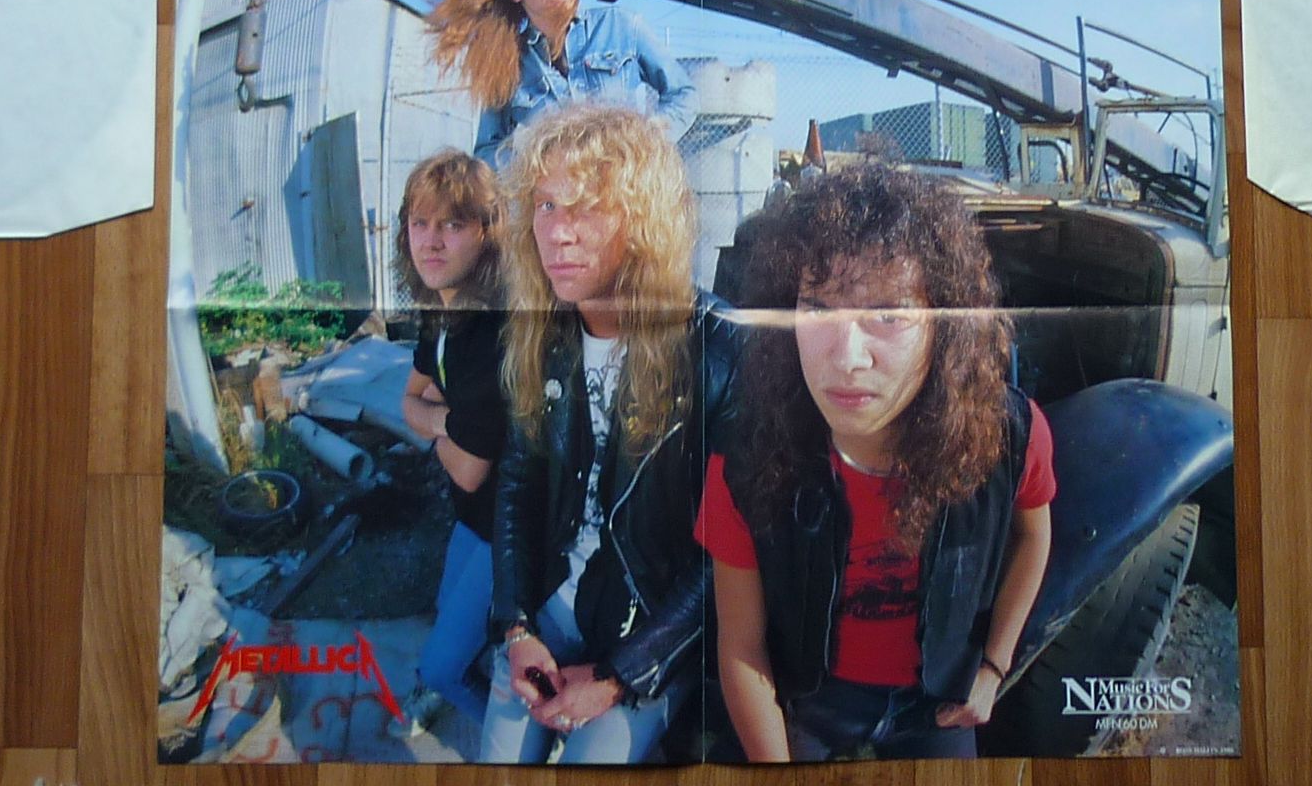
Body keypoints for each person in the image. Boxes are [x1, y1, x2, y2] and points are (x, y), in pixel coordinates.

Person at [700, 167, 1055, 762]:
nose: (848, 357)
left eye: (888, 316)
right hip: (809, 703)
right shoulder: (745, 454)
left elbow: (1033, 537)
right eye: (819, 311)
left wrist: (994, 665)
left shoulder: (1009, 436)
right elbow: (741, 647)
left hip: (934, 705)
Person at [482, 104, 737, 764]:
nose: (557, 233)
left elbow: (724, 555)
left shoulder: (716, 348)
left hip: (650, 636)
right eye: (545, 206)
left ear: (643, 220)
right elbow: (516, 486)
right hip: (547, 617)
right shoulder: (543, 334)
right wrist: (515, 627)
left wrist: (622, 675)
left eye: (587, 207)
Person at [395, 151, 508, 737]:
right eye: (420, 222)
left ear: (486, 234)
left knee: (443, 667)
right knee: (449, 619)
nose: (431, 241)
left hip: (506, 530)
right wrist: (445, 420)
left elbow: (469, 470)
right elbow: (408, 398)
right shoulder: (439, 311)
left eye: (453, 224)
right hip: (470, 518)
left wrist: (432, 419)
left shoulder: (489, 333)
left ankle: (518, 744)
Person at [427, 0, 697, 165]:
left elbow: (684, 94)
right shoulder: (507, 62)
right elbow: (487, 151)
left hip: (627, 196)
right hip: (559, 203)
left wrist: (645, 140)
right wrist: (535, 167)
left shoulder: (621, 26)